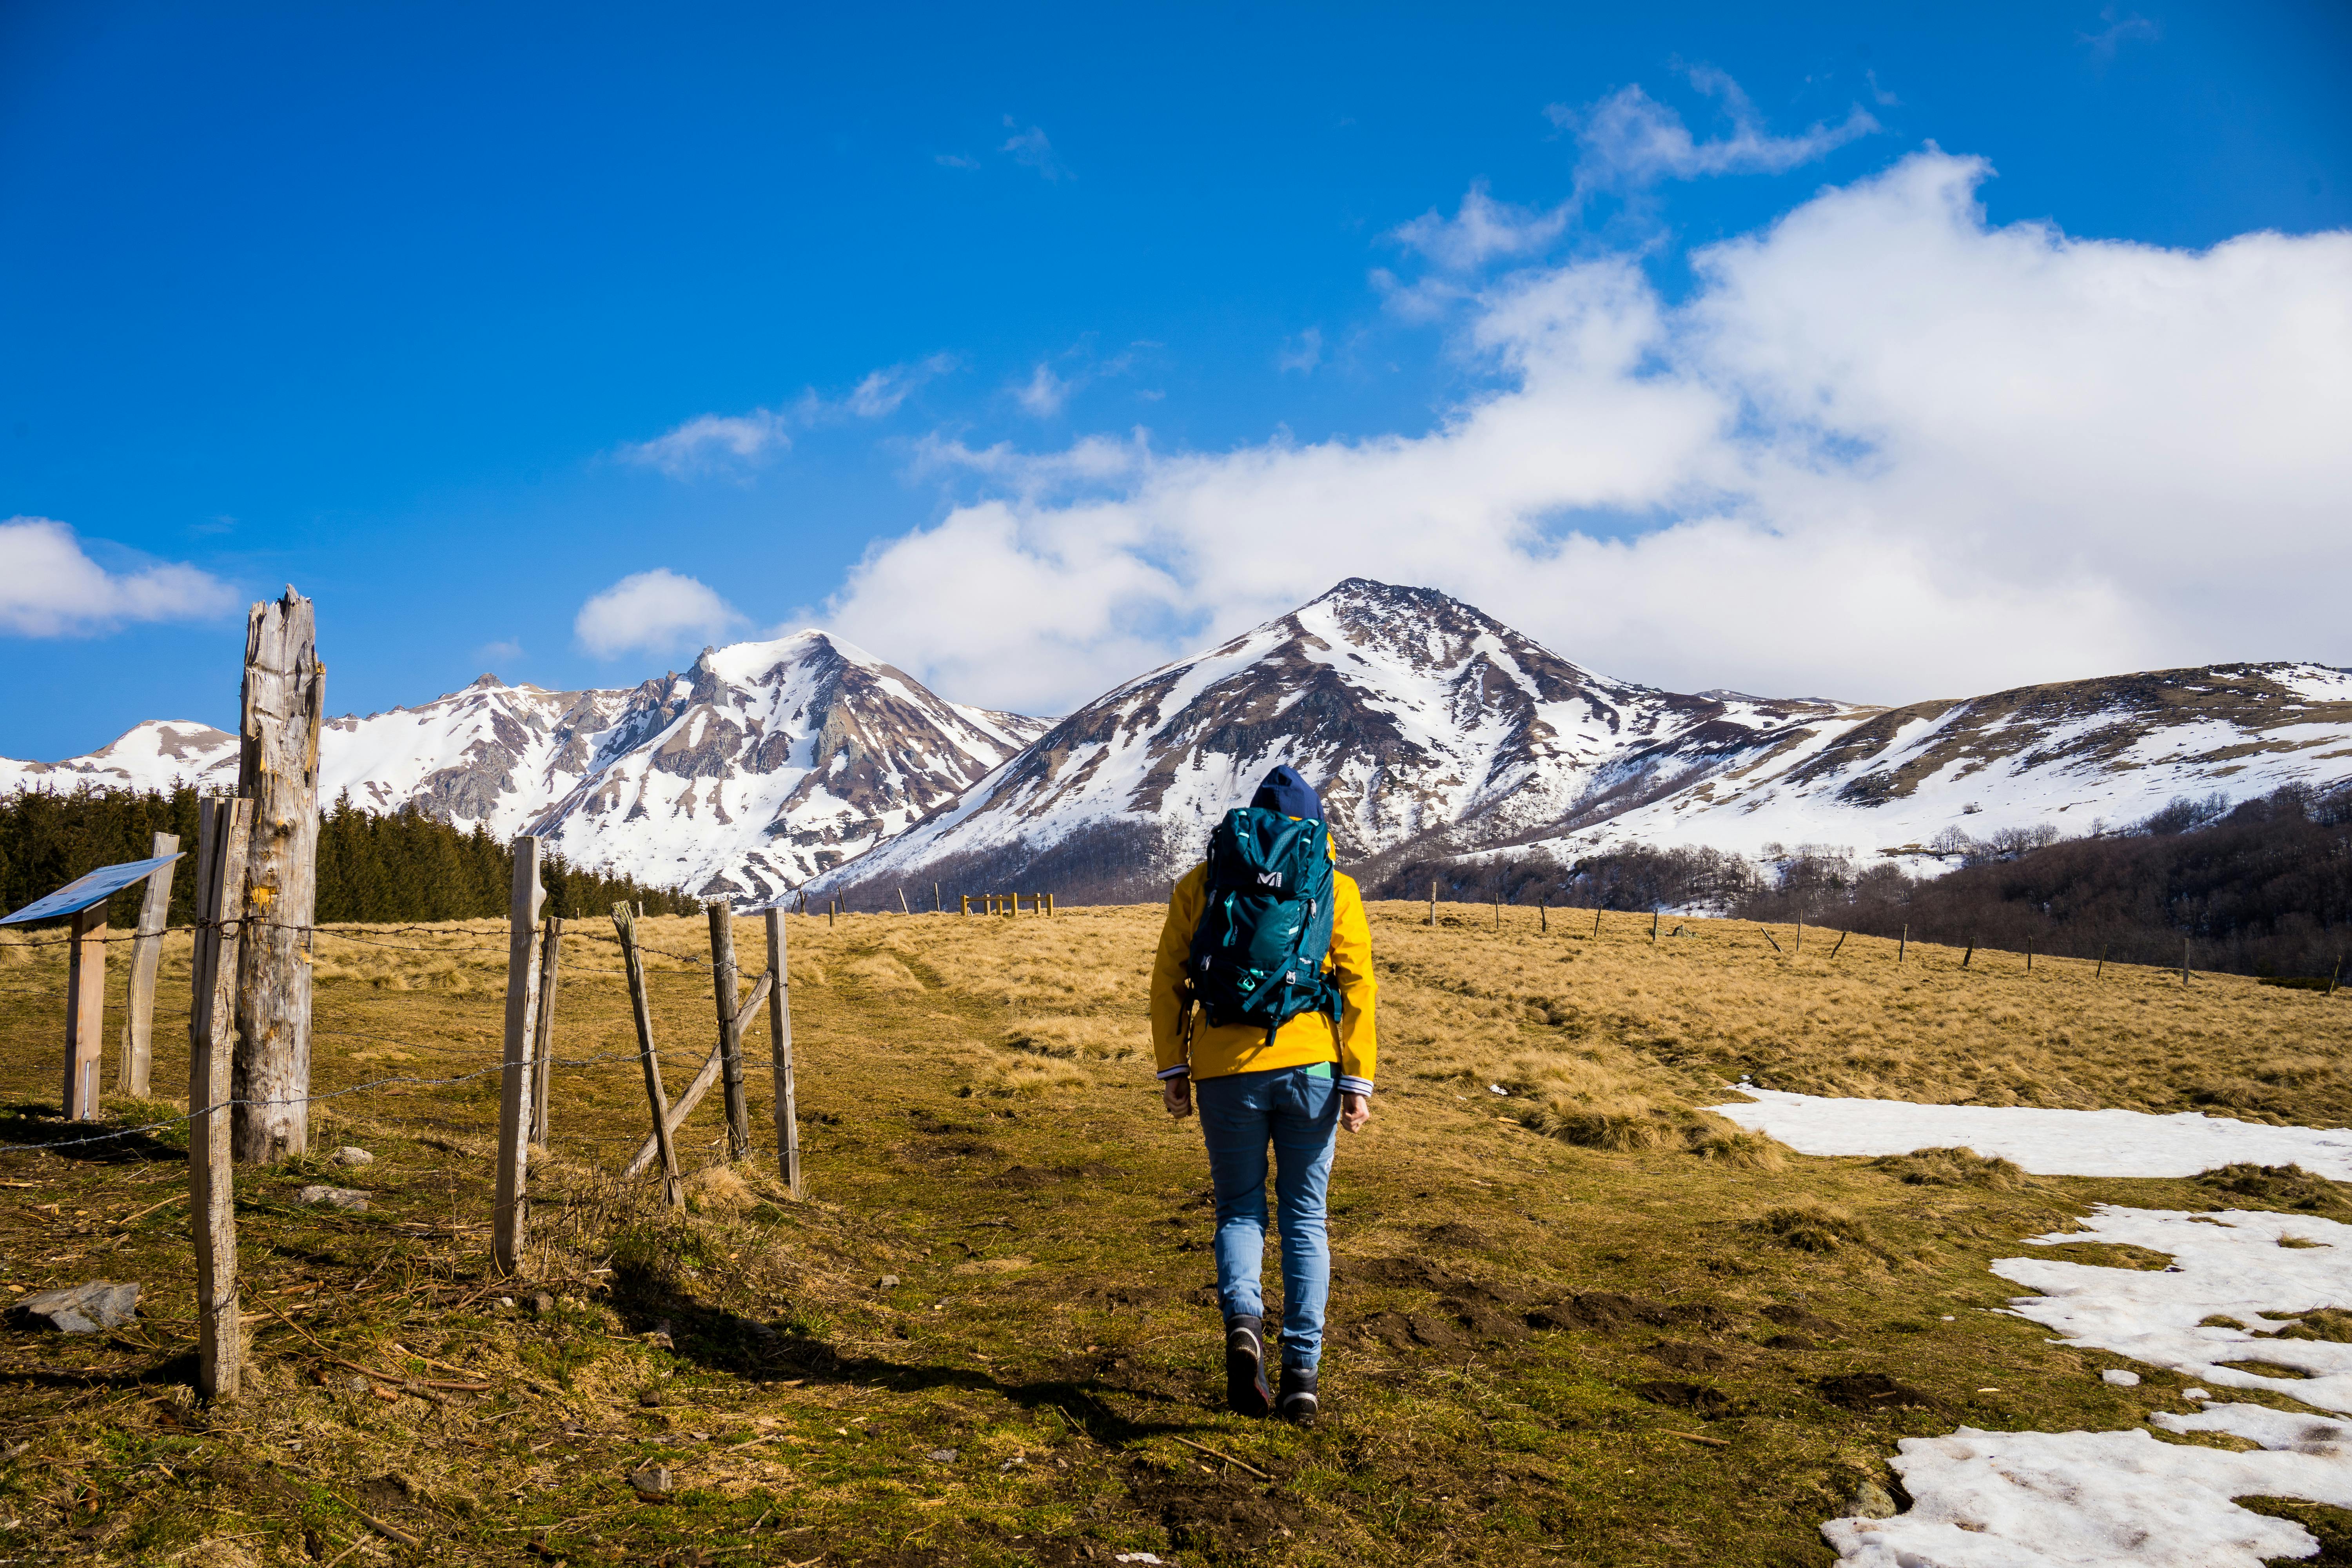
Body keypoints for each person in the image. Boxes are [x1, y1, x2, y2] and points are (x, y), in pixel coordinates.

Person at [1150, 764, 1376, 1425]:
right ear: (1315, 825)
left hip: (1224, 1068)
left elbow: (1169, 978)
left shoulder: (1202, 882)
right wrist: (1357, 1080)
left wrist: (1175, 1069)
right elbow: (1358, 984)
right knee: (1306, 1219)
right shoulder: (1334, 885)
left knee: (1240, 1210)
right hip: (1311, 1068)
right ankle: (1302, 1374)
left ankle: (1243, 1323)